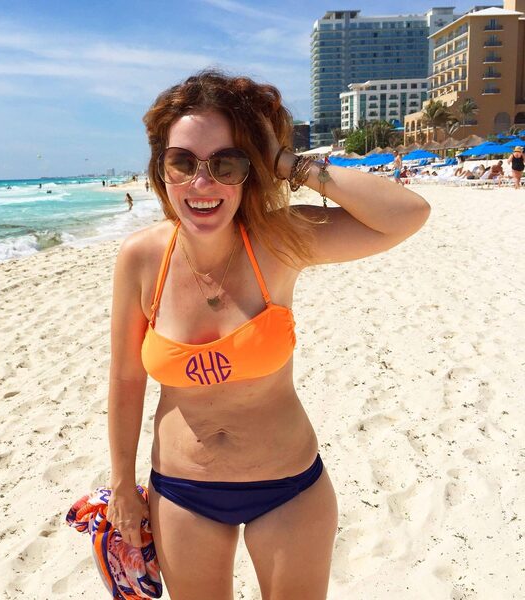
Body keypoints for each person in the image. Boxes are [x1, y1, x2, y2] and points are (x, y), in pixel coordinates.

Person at [105, 70, 430, 600]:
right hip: (182, 491)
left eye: (227, 163)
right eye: (182, 162)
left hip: (289, 487)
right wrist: (122, 483)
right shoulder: (141, 258)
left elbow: (406, 215)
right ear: (161, 169)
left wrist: (286, 162)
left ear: (250, 171)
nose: (202, 184)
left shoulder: (279, 242)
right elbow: (125, 378)